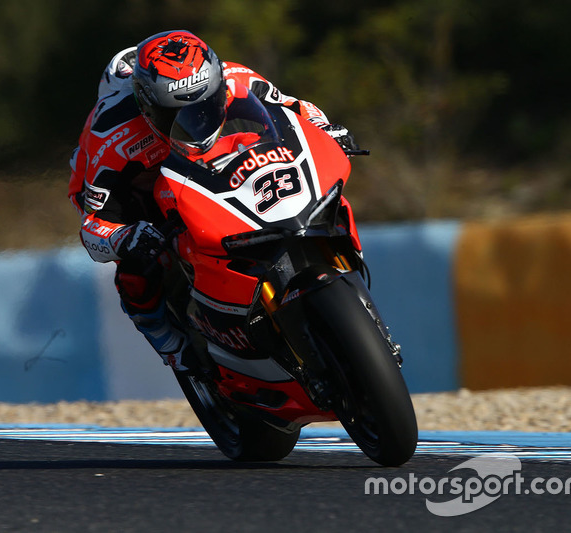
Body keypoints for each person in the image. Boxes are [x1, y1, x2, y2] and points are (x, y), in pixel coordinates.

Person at [67, 30, 356, 372]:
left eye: (207, 103)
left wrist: (326, 128)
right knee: (138, 264)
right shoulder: (111, 136)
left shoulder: (238, 77)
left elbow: (296, 109)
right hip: (140, 189)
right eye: (175, 113)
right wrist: (122, 237)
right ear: (146, 106)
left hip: (220, 163)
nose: (196, 120)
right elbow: (92, 226)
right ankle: (167, 342)